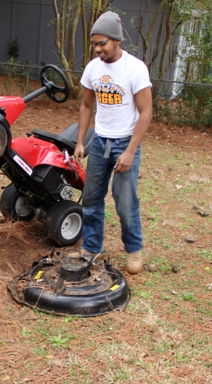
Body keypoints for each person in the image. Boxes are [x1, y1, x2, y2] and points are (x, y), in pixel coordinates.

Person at [73, 11, 152, 274]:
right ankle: (92, 248)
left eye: (102, 43)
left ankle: (134, 249)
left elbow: (146, 112)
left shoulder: (135, 68)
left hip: (125, 143)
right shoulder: (93, 68)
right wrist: (81, 141)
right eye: (94, 44)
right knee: (92, 197)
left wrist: (130, 151)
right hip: (99, 142)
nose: (97, 49)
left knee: (125, 200)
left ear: (116, 40)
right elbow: (86, 105)